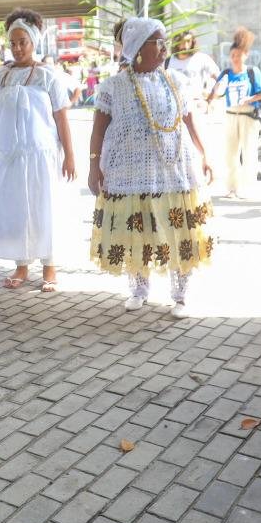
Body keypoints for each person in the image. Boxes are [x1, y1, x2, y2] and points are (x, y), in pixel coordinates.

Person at [88, 17, 215, 316]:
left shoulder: (176, 81)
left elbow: (190, 119)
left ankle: (181, 295)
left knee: (178, 230)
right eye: (157, 42)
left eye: (164, 41)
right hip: (129, 173)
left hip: (174, 172)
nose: (164, 48)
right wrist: (94, 166)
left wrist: (206, 154)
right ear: (136, 47)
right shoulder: (113, 86)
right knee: (138, 231)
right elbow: (98, 129)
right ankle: (138, 289)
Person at [0, 8, 76, 292]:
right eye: (13, 43)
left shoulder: (48, 76)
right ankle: (21, 265)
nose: (17, 48)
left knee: (42, 206)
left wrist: (70, 155)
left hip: (42, 155)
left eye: (23, 42)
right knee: (16, 209)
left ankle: (49, 265)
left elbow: (61, 117)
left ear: (33, 42)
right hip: (9, 156)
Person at [210, 28, 261, 199]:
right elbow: (217, 91)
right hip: (230, 114)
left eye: (239, 55)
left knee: (249, 152)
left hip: (248, 115)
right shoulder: (227, 73)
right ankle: (231, 187)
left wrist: (248, 100)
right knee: (230, 153)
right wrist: (215, 91)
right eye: (233, 55)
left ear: (246, 55)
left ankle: (247, 187)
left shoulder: (252, 72)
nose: (235, 58)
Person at [167, 30, 221, 102]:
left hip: (196, 105)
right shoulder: (168, 61)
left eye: (188, 41)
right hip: (174, 106)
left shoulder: (202, 58)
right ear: (177, 43)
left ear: (192, 42)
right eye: (182, 42)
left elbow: (220, 78)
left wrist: (210, 98)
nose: (185, 45)